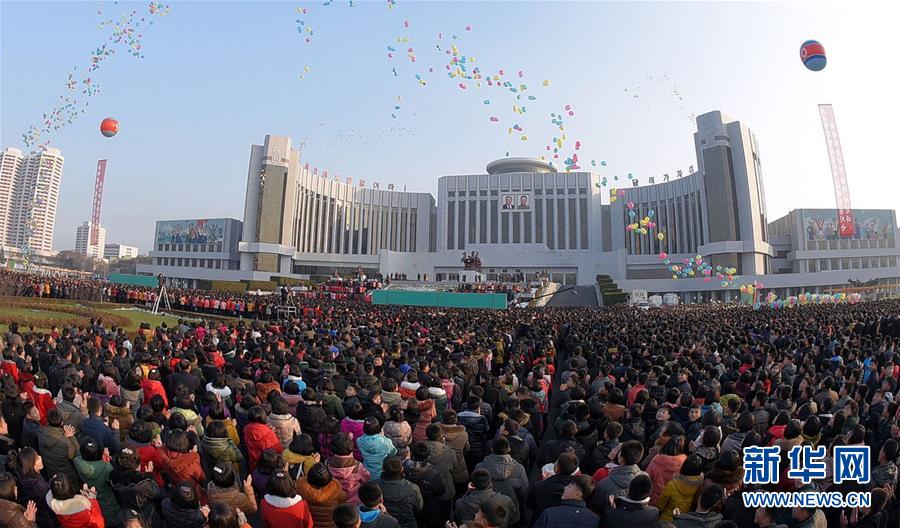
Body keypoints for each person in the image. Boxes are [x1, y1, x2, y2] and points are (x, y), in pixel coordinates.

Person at [73, 437, 120, 526]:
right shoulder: (106, 468)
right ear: (99, 454)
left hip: (90, 493)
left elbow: (78, 455)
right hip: (107, 497)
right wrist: (107, 462)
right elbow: (113, 478)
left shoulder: (77, 461)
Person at [533, 474, 598, 528]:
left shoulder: (549, 514)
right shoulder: (595, 521)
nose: (565, 487)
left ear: (577, 494)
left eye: (569, 487)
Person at [375, 456, 423, 528]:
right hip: (408, 524)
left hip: (385, 524)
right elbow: (419, 507)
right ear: (402, 469)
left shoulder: (374, 487)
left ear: (382, 469)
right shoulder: (412, 488)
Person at [295, 462, 347, 528]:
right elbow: (343, 499)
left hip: (310, 524)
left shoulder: (301, 488)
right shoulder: (336, 489)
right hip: (330, 524)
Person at [327, 432, 371, 505]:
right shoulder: (357, 466)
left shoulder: (327, 463)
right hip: (355, 500)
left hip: (336, 498)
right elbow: (367, 477)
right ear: (350, 447)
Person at [656, 455, 704, 522]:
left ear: (684, 467)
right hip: (686, 520)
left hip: (667, 519)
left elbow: (660, 505)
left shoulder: (673, 484)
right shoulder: (701, 485)